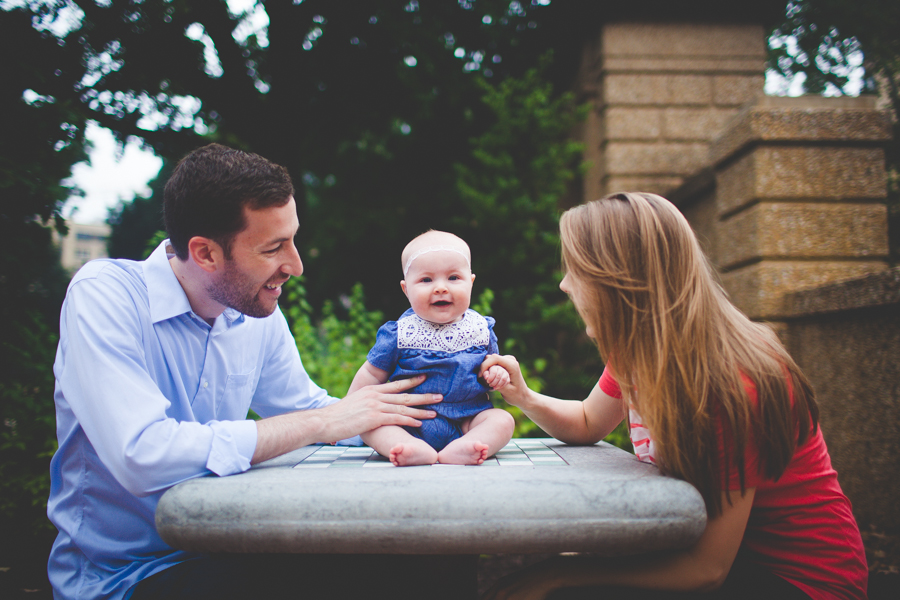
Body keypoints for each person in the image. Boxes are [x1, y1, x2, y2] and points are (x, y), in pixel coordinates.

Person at [46, 144, 442, 600]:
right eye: (274, 248)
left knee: (416, 561)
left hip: (229, 548)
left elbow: (311, 409)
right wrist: (319, 423)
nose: (295, 265)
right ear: (206, 253)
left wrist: (432, 427)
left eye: (292, 239)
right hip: (124, 578)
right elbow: (142, 454)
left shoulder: (256, 314)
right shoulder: (106, 296)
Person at [481, 193, 868, 600]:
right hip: (724, 561)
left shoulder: (730, 383)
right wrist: (521, 396)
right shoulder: (637, 347)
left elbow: (706, 570)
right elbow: (587, 422)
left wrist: (561, 573)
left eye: (575, 269)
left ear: (619, 279)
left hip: (800, 582)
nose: (563, 283)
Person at [347, 230, 515, 466]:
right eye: (426, 280)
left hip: (467, 420)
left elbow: (490, 368)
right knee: (370, 425)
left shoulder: (481, 329)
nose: (440, 288)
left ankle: (462, 448)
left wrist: (496, 374)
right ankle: (409, 446)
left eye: (453, 278)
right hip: (407, 422)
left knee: (502, 420)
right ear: (406, 290)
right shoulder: (400, 333)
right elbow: (371, 374)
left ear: (471, 282)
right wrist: (346, 413)